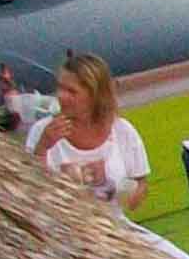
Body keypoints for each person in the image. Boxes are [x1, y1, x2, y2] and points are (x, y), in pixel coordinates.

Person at [27, 51, 149, 215]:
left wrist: (108, 184)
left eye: (72, 91)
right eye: (60, 88)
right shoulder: (42, 131)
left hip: (112, 228)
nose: (61, 96)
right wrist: (42, 148)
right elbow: (29, 191)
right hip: (60, 232)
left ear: (95, 95)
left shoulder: (122, 130)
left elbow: (139, 188)